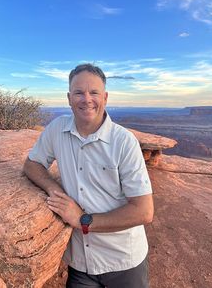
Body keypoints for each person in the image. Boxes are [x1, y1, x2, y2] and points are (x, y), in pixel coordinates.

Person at [23, 63, 154, 288]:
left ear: (105, 97)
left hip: (123, 262)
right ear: (68, 98)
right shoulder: (57, 129)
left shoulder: (124, 142)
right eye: (78, 93)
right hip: (81, 263)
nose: (86, 99)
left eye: (93, 92)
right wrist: (54, 189)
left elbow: (144, 211)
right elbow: (32, 164)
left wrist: (83, 220)